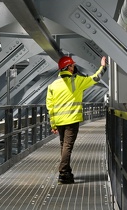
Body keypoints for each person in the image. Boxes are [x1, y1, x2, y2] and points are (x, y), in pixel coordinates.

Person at [46, 55, 107, 184]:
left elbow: (50, 107)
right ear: (68, 67)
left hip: (59, 121)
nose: (74, 67)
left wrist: (53, 124)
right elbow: (95, 78)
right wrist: (103, 66)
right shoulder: (77, 81)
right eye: (72, 65)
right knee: (67, 146)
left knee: (64, 146)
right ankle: (63, 172)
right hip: (72, 119)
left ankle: (67, 173)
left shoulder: (52, 86)